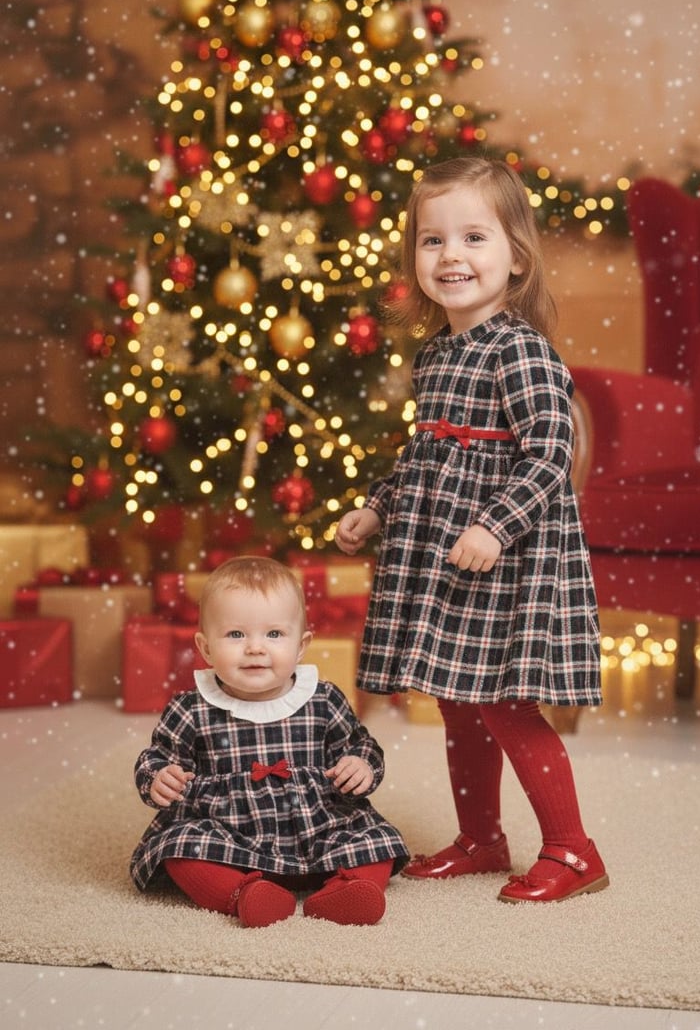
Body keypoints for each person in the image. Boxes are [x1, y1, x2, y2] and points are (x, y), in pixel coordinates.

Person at [336, 156, 609, 904]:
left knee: (504, 704)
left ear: (516, 256)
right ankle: (482, 837)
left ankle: (574, 849)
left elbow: (554, 452)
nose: (451, 256)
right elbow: (427, 456)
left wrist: (495, 524)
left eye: (474, 238)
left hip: (505, 559)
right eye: (433, 241)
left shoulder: (519, 350)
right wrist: (379, 506)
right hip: (446, 556)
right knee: (456, 700)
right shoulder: (437, 356)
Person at [130, 556, 409, 927]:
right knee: (179, 845)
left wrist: (360, 766)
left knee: (374, 839)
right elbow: (158, 757)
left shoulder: (322, 699)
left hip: (317, 825)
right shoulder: (191, 708)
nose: (255, 648)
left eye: (274, 634)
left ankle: (348, 890)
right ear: (206, 647)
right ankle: (243, 895)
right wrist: (159, 777)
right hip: (228, 831)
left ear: (301, 645)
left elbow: (360, 746)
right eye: (235, 634)